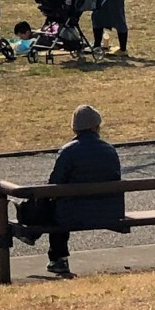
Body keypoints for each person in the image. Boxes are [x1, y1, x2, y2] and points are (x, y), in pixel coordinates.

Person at [22, 104, 124, 277]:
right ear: (96, 127)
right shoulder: (110, 150)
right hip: (108, 211)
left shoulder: (68, 151)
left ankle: (54, 254)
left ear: (75, 128)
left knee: (51, 201)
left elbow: (54, 184)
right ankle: (37, 237)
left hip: (73, 212)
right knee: (61, 203)